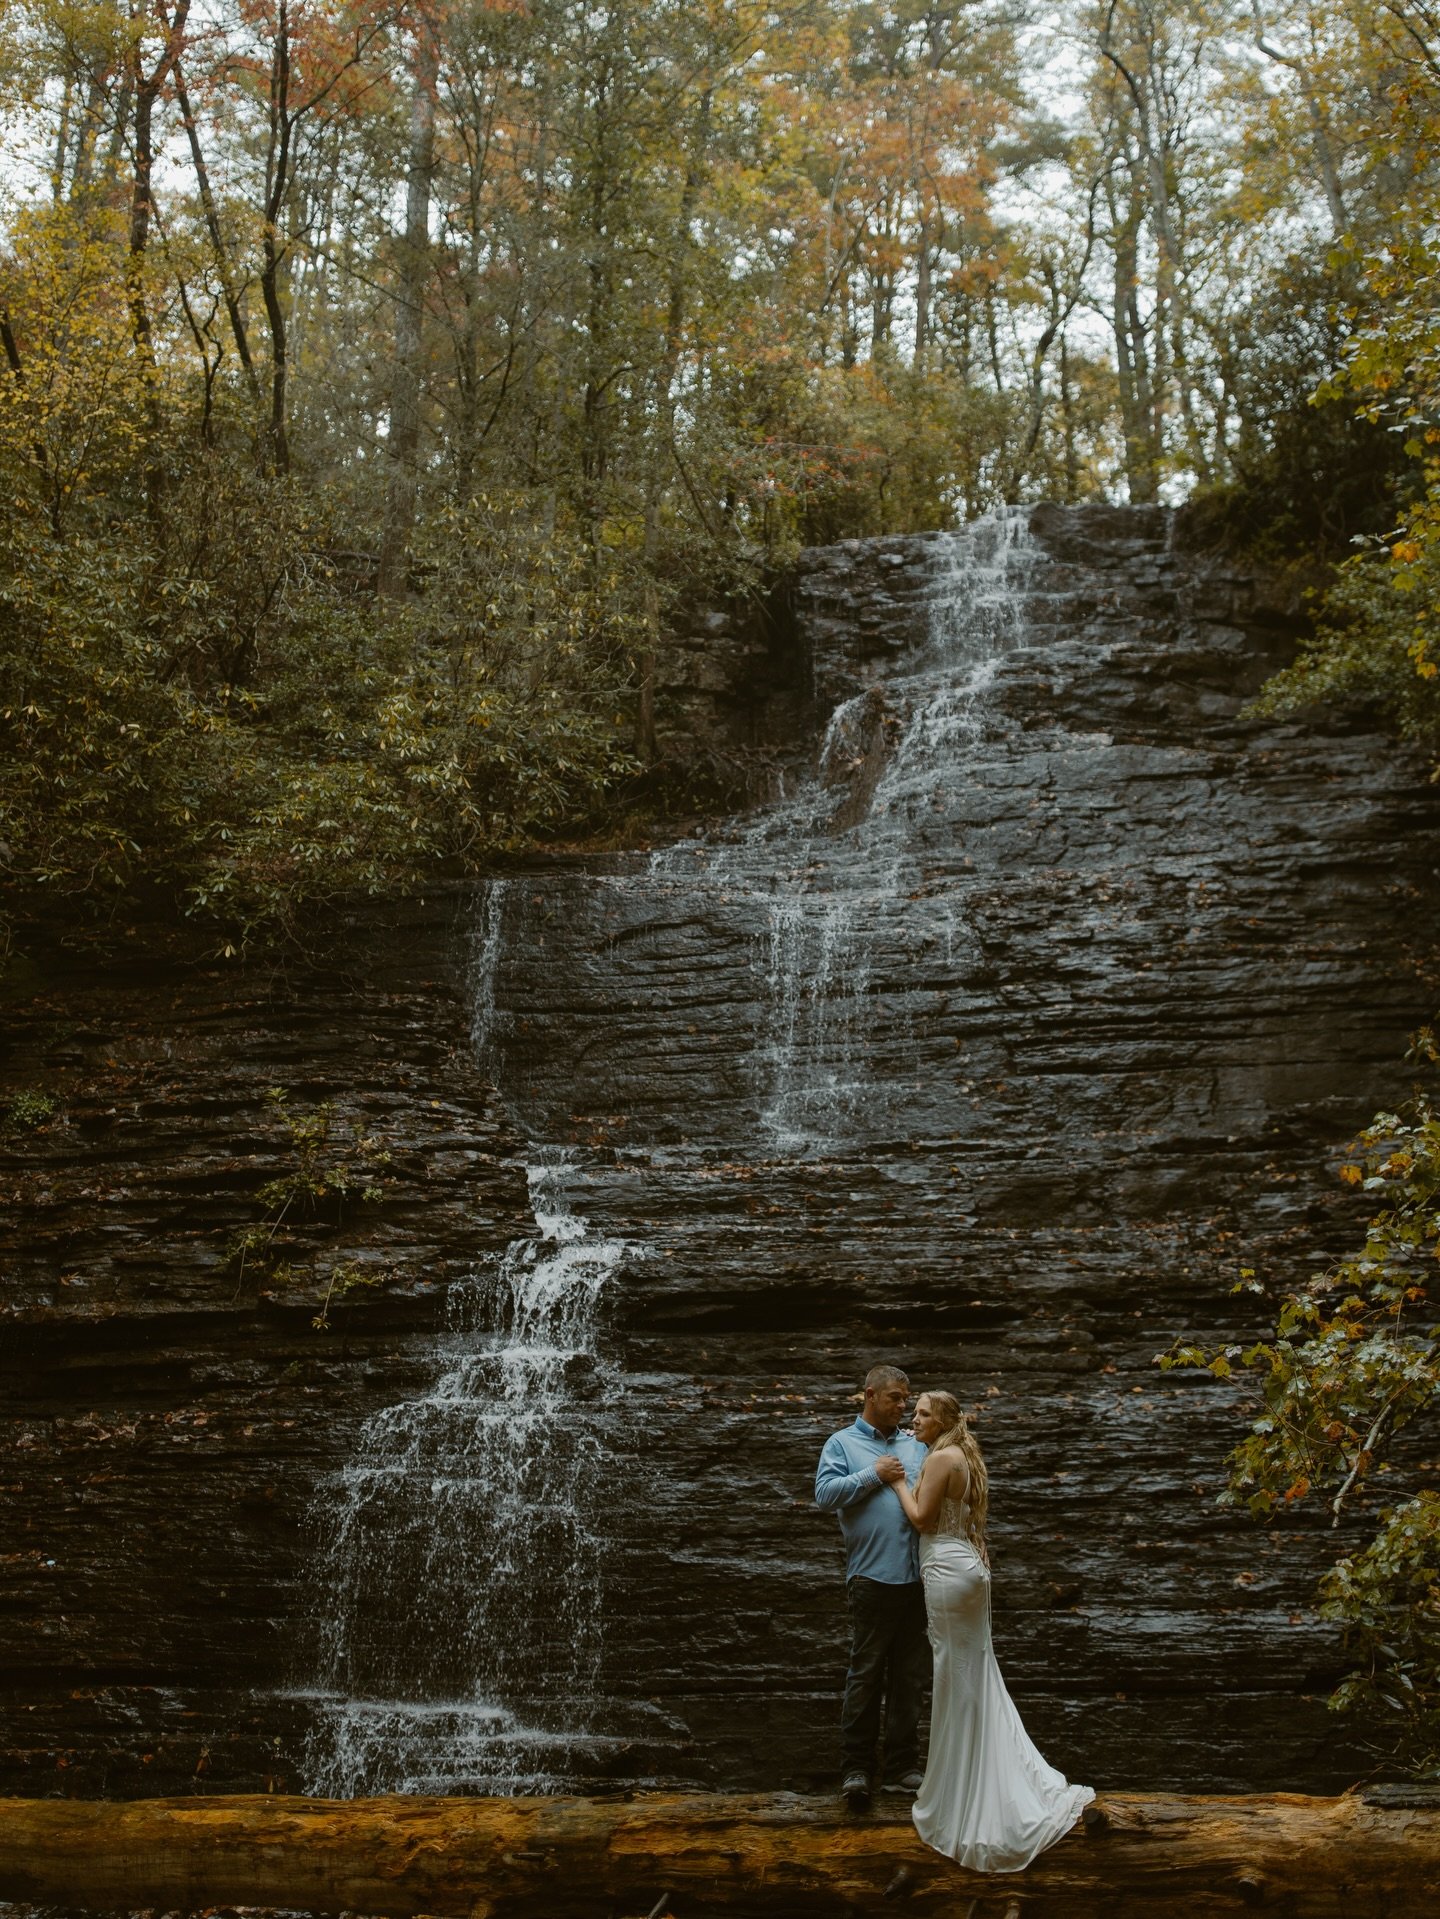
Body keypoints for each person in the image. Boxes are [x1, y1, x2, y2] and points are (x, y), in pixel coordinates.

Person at [890, 1389, 1094, 1872]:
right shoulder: (965, 1455)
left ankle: (959, 1796)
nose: (913, 1419)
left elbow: (921, 1519)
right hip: (968, 1568)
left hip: (945, 1569)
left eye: (921, 1414)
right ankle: (979, 1775)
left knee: (954, 1677)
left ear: (940, 1421)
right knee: (975, 1674)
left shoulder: (940, 1460)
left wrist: (898, 1482)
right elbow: (973, 1526)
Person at [814, 1363, 929, 1811]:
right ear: (870, 1396)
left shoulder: (916, 1444)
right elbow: (824, 1495)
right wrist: (872, 1474)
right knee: (865, 1675)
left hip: (918, 1578)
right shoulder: (842, 1443)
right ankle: (856, 1770)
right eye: (896, 1398)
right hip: (870, 1577)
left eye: (907, 1399)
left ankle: (902, 1768)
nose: (904, 1406)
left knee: (910, 1678)